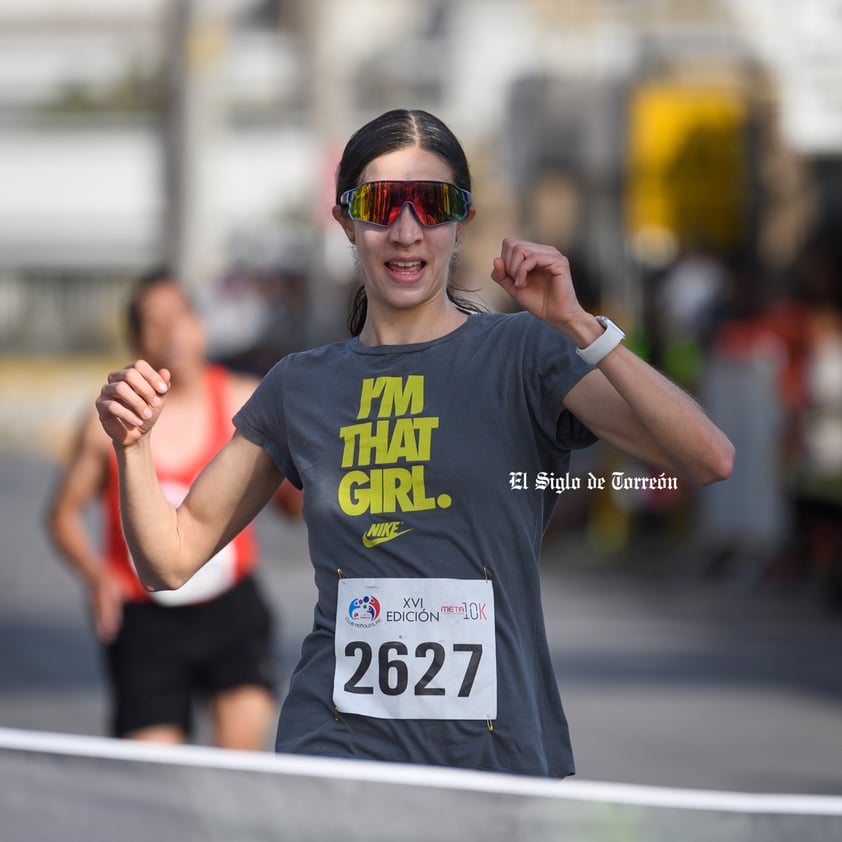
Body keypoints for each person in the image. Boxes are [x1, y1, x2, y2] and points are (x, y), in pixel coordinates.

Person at [94, 110, 734, 777]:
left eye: (430, 205)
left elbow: (707, 458)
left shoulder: (523, 354)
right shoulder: (300, 386)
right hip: (336, 756)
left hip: (495, 754)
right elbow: (169, 560)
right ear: (345, 221)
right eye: (379, 205)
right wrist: (132, 446)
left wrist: (580, 327)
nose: (405, 231)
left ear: (461, 219)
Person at [47, 269, 291, 749]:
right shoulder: (110, 424)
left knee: (241, 764)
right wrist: (96, 575)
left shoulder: (246, 402)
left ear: (200, 325)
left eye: (179, 315)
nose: (171, 330)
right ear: (137, 341)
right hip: (145, 618)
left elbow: (292, 504)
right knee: (152, 782)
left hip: (231, 608)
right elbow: (61, 515)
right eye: (154, 323)